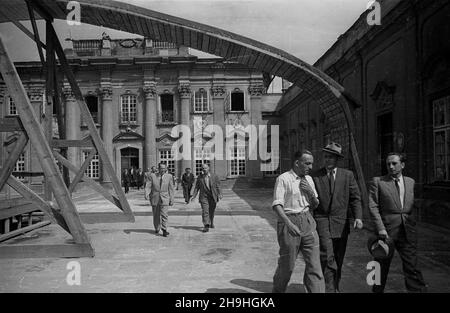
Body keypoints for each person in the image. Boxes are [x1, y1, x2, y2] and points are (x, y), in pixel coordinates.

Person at [369, 152, 427, 293]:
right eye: (388, 163)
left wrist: (411, 222)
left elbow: (413, 205)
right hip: (386, 232)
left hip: (407, 231)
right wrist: (381, 229)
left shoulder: (410, 182)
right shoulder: (378, 182)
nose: (391, 166)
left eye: (394, 163)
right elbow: (373, 206)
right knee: (379, 267)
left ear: (402, 165)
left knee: (412, 266)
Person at [312, 142, 363, 293]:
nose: (328, 160)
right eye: (326, 156)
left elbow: (355, 198)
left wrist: (358, 217)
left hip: (341, 223)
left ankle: (335, 286)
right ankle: (329, 289)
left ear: (337, 159)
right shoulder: (315, 175)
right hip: (321, 220)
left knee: (338, 257)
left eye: (331, 157)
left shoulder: (348, 175)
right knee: (326, 255)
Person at [272, 150, 325, 293]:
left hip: (307, 220)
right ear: (297, 163)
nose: (311, 167)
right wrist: (289, 224)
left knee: (314, 264)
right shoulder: (283, 179)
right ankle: (278, 290)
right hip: (289, 221)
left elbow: (315, 205)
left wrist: (310, 193)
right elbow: (277, 205)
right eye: (307, 163)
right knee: (287, 265)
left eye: (311, 163)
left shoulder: (309, 180)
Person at [144, 163, 175, 237]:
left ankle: (164, 229)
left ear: (166, 169)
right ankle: (157, 227)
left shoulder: (169, 176)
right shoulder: (152, 176)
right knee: (156, 215)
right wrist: (146, 194)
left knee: (164, 214)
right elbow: (148, 186)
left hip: (165, 197)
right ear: (158, 168)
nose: (163, 170)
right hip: (155, 197)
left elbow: (171, 188)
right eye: (161, 168)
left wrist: (172, 199)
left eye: (164, 168)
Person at [191, 163, 222, 232]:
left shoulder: (214, 176)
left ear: (209, 168)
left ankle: (211, 222)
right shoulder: (200, 177)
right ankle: (206, 225)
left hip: (213, 196)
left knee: (211, 211)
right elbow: (197, 187)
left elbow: (218, 186)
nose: (204, 170)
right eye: (203, 168)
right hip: (203, 197)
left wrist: (220, 194)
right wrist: (194, 196)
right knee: (205, 211)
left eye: (205, 168)